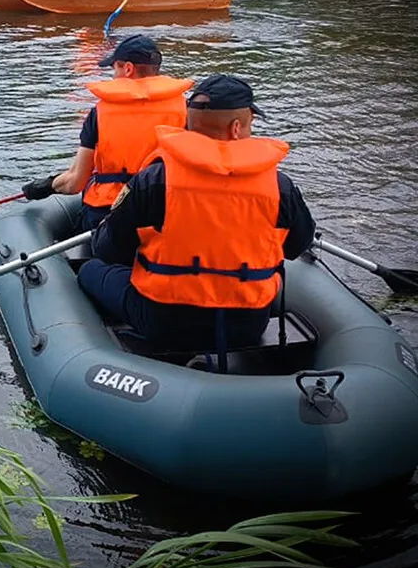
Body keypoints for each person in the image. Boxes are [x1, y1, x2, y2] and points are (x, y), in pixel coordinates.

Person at [77, 74, 316, 357]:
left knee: (89, 270)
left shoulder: (154, 179)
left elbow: (107, 249)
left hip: (164, 321)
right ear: (237, 127)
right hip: (247, 325)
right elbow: (297, 246)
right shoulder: (280, 187)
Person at [22, 35, 193, 232]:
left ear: (128, 69)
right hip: (164, 213)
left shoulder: (100, 112)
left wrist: (46, 186)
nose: (113, 76)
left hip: (109, 214)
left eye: (115, 68)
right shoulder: (186, 109)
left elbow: (75, 183)